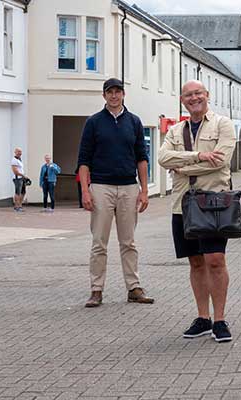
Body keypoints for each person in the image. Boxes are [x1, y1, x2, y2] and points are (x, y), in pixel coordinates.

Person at [158, 80, 236, 342]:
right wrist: (199, 157)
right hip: (183, 204)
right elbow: (162, 157)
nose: (194, 98)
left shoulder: (222, 124)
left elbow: (221, 161)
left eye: (198, 94)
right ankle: (203, 318)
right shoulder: (176, 130)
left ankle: (220, 320)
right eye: (189, 95)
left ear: (207, 95)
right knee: (195, 262)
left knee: (215, 260)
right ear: (183, 100)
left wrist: (182, 167)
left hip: (213, 203)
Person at [77, 78, 154, 307]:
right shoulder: (93, 123)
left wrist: (144, 191)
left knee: (128, 241)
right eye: (109, 92)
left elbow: (142, 158)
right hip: (101, 186)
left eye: (117, 92)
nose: (114, 96)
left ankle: (133, 287)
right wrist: (85, 191)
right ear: (104, 96)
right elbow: (83, 160)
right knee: (99, 241)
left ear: (123, 95)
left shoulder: (134, 122)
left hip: (129, 187)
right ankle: (96, 289)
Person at [11, 147, 26, 212]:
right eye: (18, 151)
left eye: (20, 151)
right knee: (18, 192)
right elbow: (15, 171)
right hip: (17, 179)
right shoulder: (14, 160)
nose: (20, 153)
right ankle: (16, 207)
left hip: (21, 178)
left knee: (23, 192)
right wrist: (23, 175)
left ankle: (20, 205)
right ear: (15, 152)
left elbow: (20, 169)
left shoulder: (19, 159)